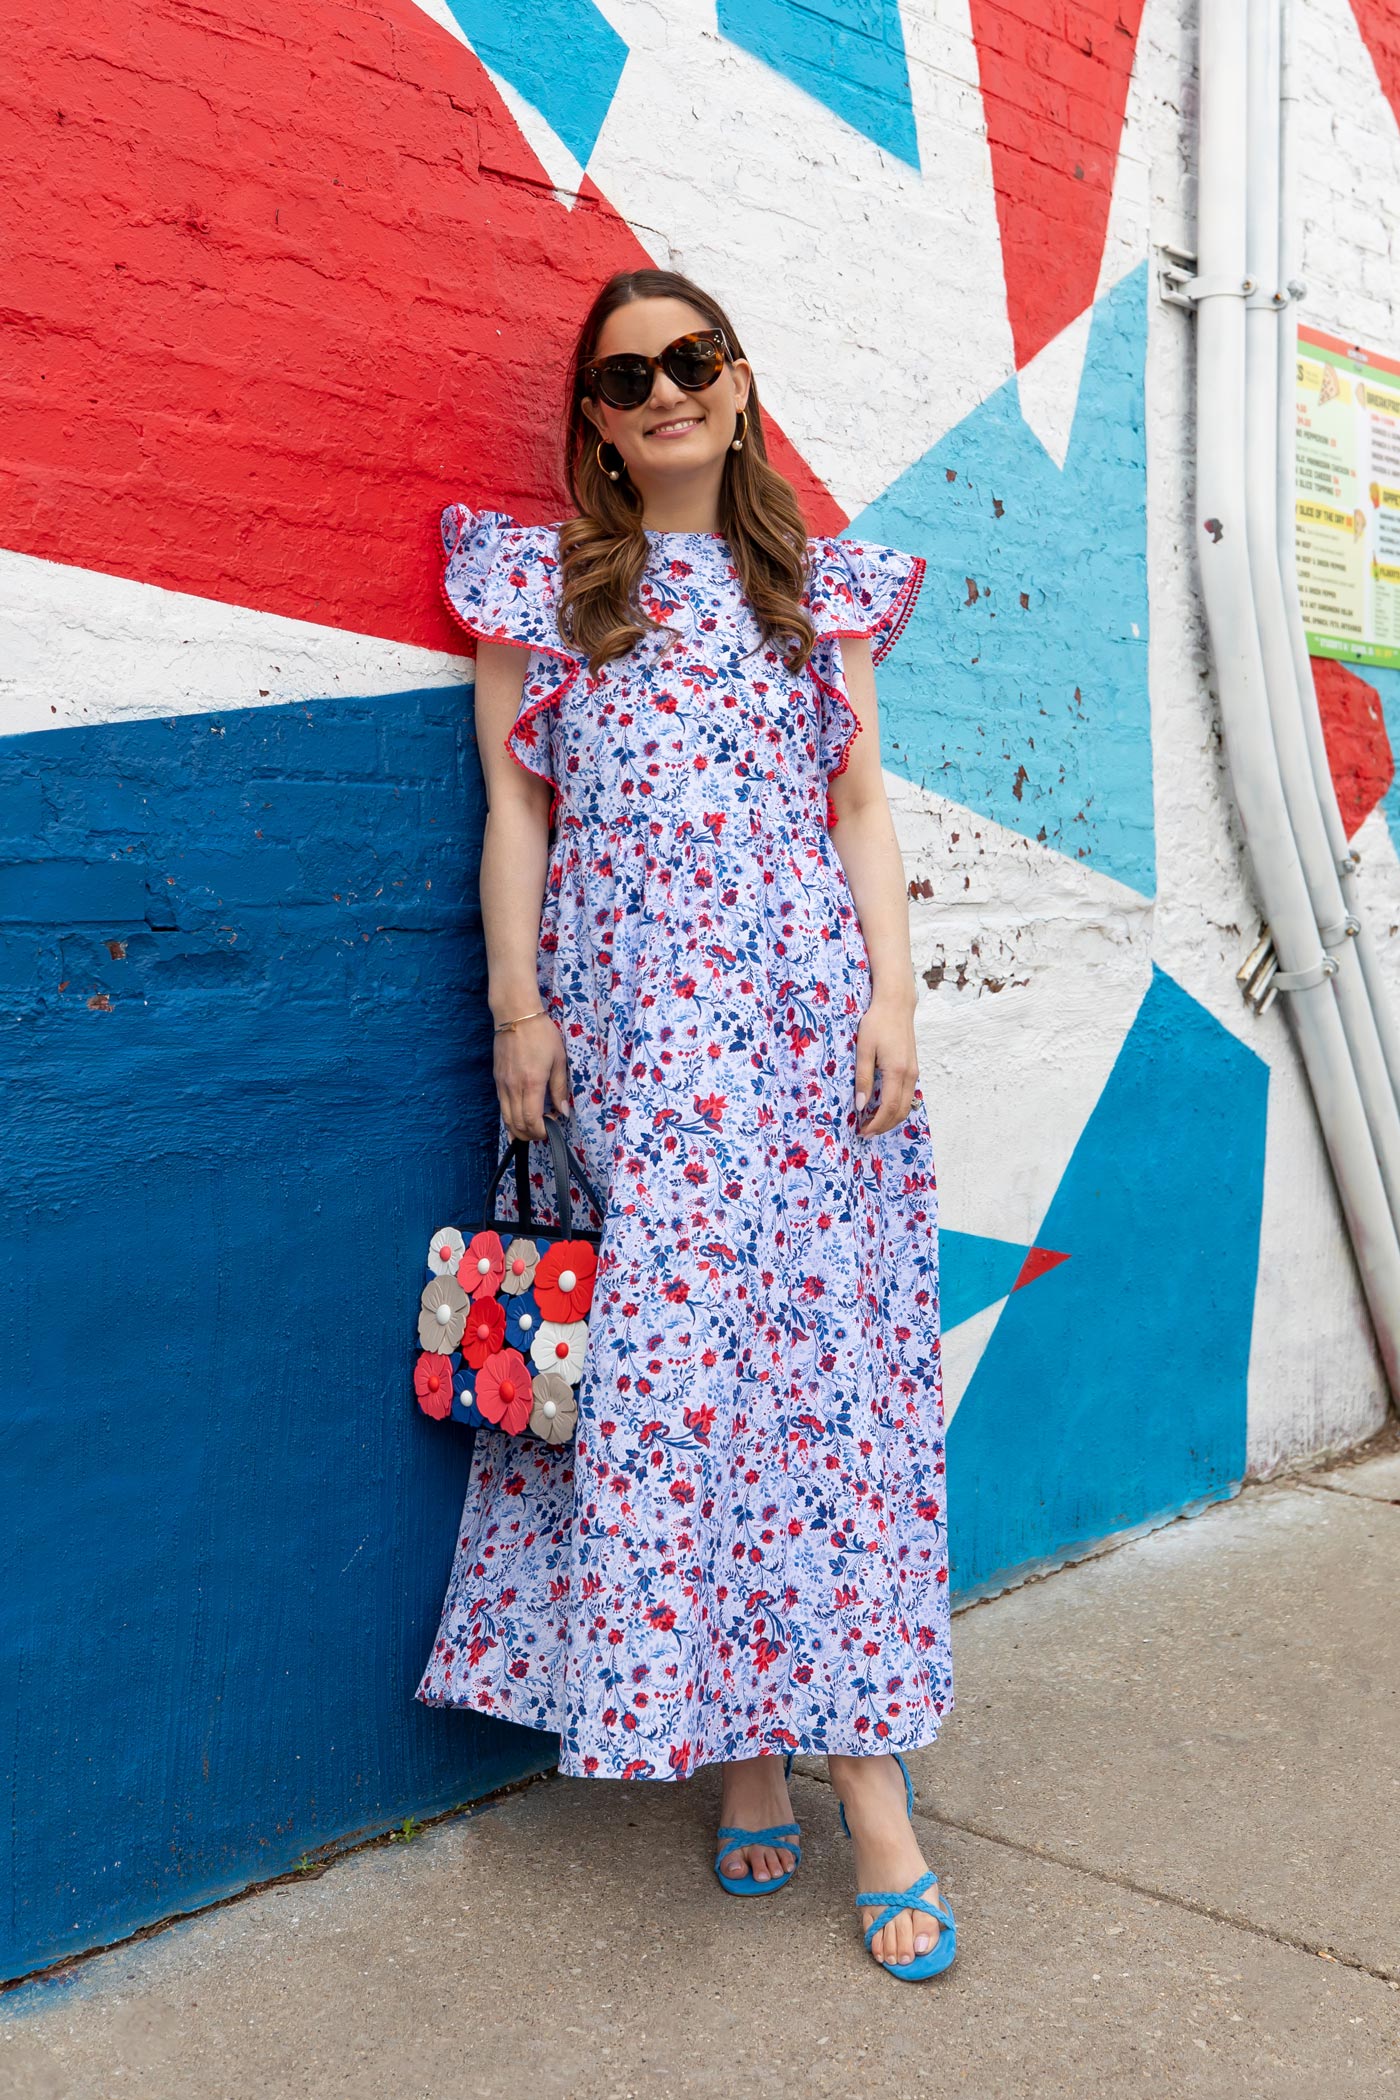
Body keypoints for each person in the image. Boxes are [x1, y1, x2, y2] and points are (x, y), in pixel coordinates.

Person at [417, 268, 955, 1980]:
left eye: (690, 361)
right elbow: (515, 818)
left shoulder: (824, 601)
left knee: (816, 1408)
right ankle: (735, 1752)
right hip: (635, 1067)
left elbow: (858, 808)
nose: (662, 390)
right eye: (625, 373)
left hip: (803, 1057)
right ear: (595, 414)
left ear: (737, 386)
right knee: (682, 1396)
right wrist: (519, 1011)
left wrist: (892, 999)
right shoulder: (542, 591)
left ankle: (867, 1793)